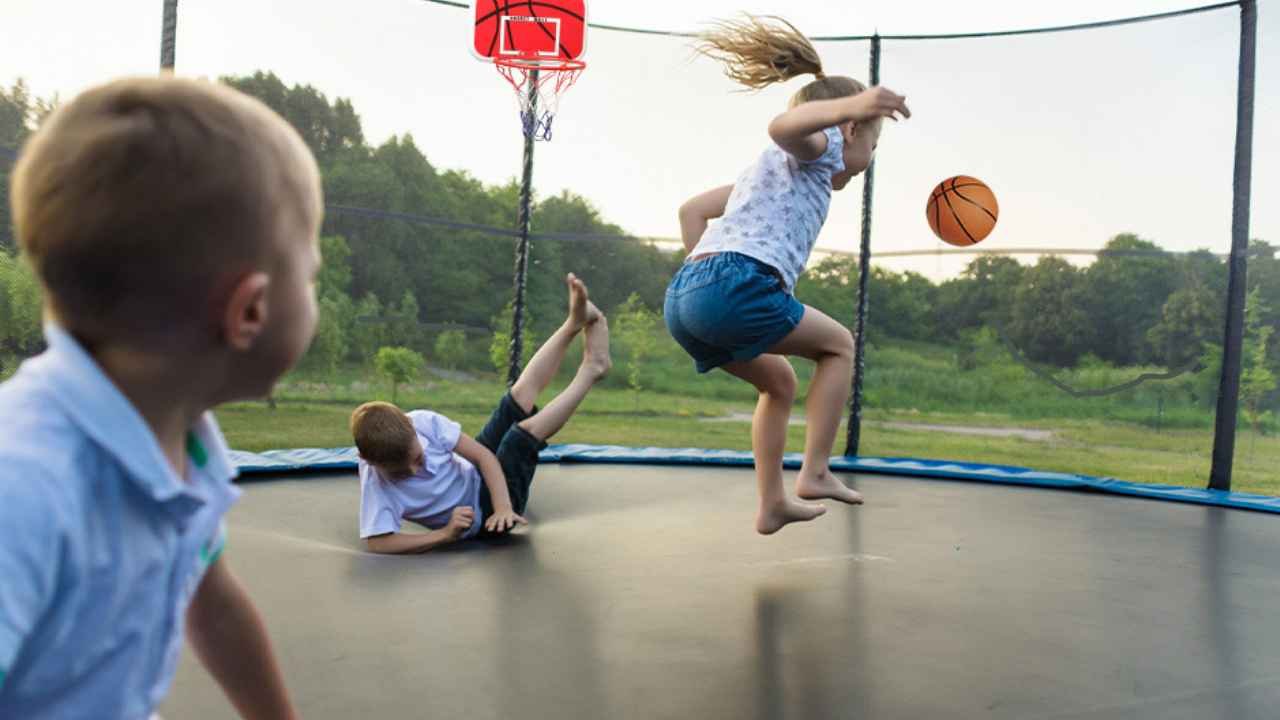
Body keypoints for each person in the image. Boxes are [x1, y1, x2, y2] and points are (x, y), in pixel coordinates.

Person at [0, 76, 322, 719]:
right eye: (311, 274)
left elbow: (215, 605)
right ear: (249, 311)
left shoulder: (185, 443)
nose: (314, 288)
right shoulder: (26, 486)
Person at [666, 16, 911, 534]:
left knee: (778, 382)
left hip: (685, 299)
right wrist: (857, 103)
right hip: (737, 286)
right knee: (839, 346)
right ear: (848, 128)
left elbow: (691, 211)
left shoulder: (760, 179)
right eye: (872, 142)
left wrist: (707, 278)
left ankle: (771, 503)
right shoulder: (816, 150)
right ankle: (816, 471)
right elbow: (781, 126)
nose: (867, 157)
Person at [351, 274, 610, 554]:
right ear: (369, 461)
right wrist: (445, 534)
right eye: (400, 472)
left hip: (485, 487)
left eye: (416, 458)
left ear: (409, 423)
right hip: (484, 517)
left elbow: (483, 456)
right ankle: (592, 369)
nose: (415, 470)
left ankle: (573, 323)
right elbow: (378, 542)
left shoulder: (423, 422)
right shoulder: (375, 480)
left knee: (516, 399)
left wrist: (503, 506)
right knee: (518, 439)